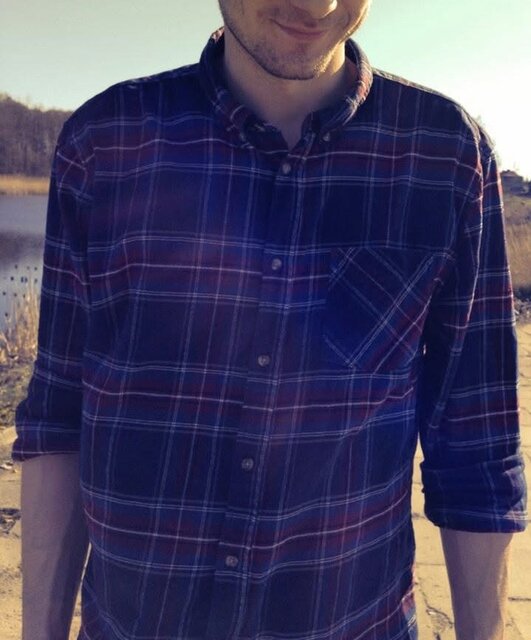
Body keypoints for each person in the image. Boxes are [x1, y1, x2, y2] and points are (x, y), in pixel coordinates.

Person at [12, 1, 528, 639]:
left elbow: (477, 445)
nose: (318, 4)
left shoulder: (445, 155)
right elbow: (60, 416)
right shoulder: (108, 143)